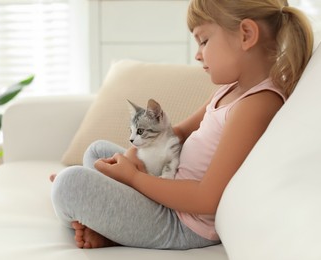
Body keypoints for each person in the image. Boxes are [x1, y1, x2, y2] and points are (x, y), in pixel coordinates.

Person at [51, 0, 314, 250]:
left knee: (69, 184)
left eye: (204, 40)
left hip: (183, 223)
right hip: (169, 187)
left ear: (246, 34)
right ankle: (107, 222)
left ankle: (103, 221)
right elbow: (177, 132)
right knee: (97, 152)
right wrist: (134, 158)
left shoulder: (256, 105)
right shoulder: (230, 90)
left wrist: (133, 177)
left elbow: (206, 198)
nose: (198, 55)